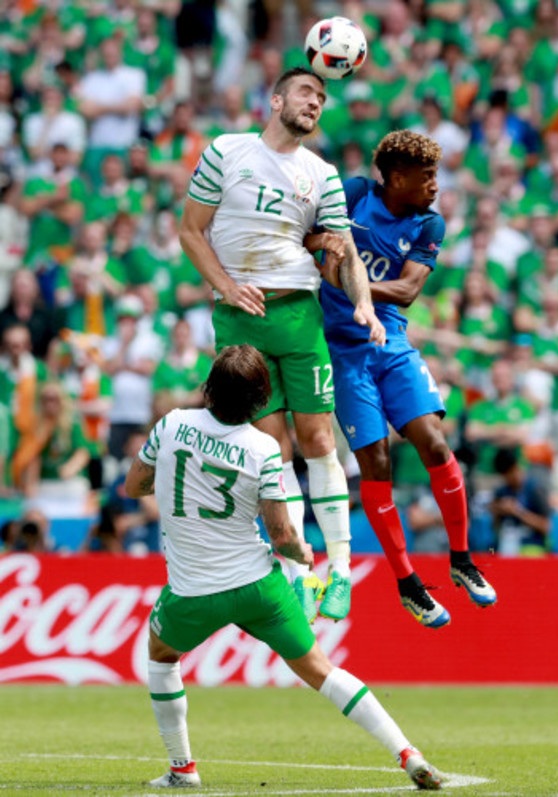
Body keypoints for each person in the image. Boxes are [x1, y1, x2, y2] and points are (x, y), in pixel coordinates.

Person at [124, 344, 442, 791]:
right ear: (260, 399)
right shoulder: (264, 448)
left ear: (210, 388)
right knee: (321, 669)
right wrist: (305, 557)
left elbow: (132, 485)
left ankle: (182, 769)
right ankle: (408, 753)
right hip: (258, 585)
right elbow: (282, 537)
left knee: (161, 657)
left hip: (193, 589)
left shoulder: (172, 423)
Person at [179, 67, 385, 624]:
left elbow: (342, 250)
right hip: (239, 318)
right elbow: (191, 231)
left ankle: (339, 571)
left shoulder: (322, 174)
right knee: (272, 450)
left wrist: (363, 303)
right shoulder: (226, 151)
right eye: (305, 93)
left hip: (298, 313)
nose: (314, 102)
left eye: (321, 98)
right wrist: (224, 285)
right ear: (275, 100)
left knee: (320, 439)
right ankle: (299, 572)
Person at [318, 130, 496, 630]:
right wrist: (322, 254)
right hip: (342, 352)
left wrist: (351, 282)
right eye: (427, 176)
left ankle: (460, 560)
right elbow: (311, 236)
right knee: (375, 462)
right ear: (396, 178)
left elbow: (408, 289)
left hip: (390, 343)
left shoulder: (428, 222)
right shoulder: (352, 194)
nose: (435, 185)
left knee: (435, 445)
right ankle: (407, 583)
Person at [489, 448, 551, 557]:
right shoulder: (501, 492)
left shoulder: (535, 489)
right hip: (506, 546)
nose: (509, 479)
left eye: (510, 473)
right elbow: (494, 528)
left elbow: (546, 526)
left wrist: (517, 511)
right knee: (492, 551)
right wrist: (498, 510)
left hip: (532, 546)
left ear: (516, 467)